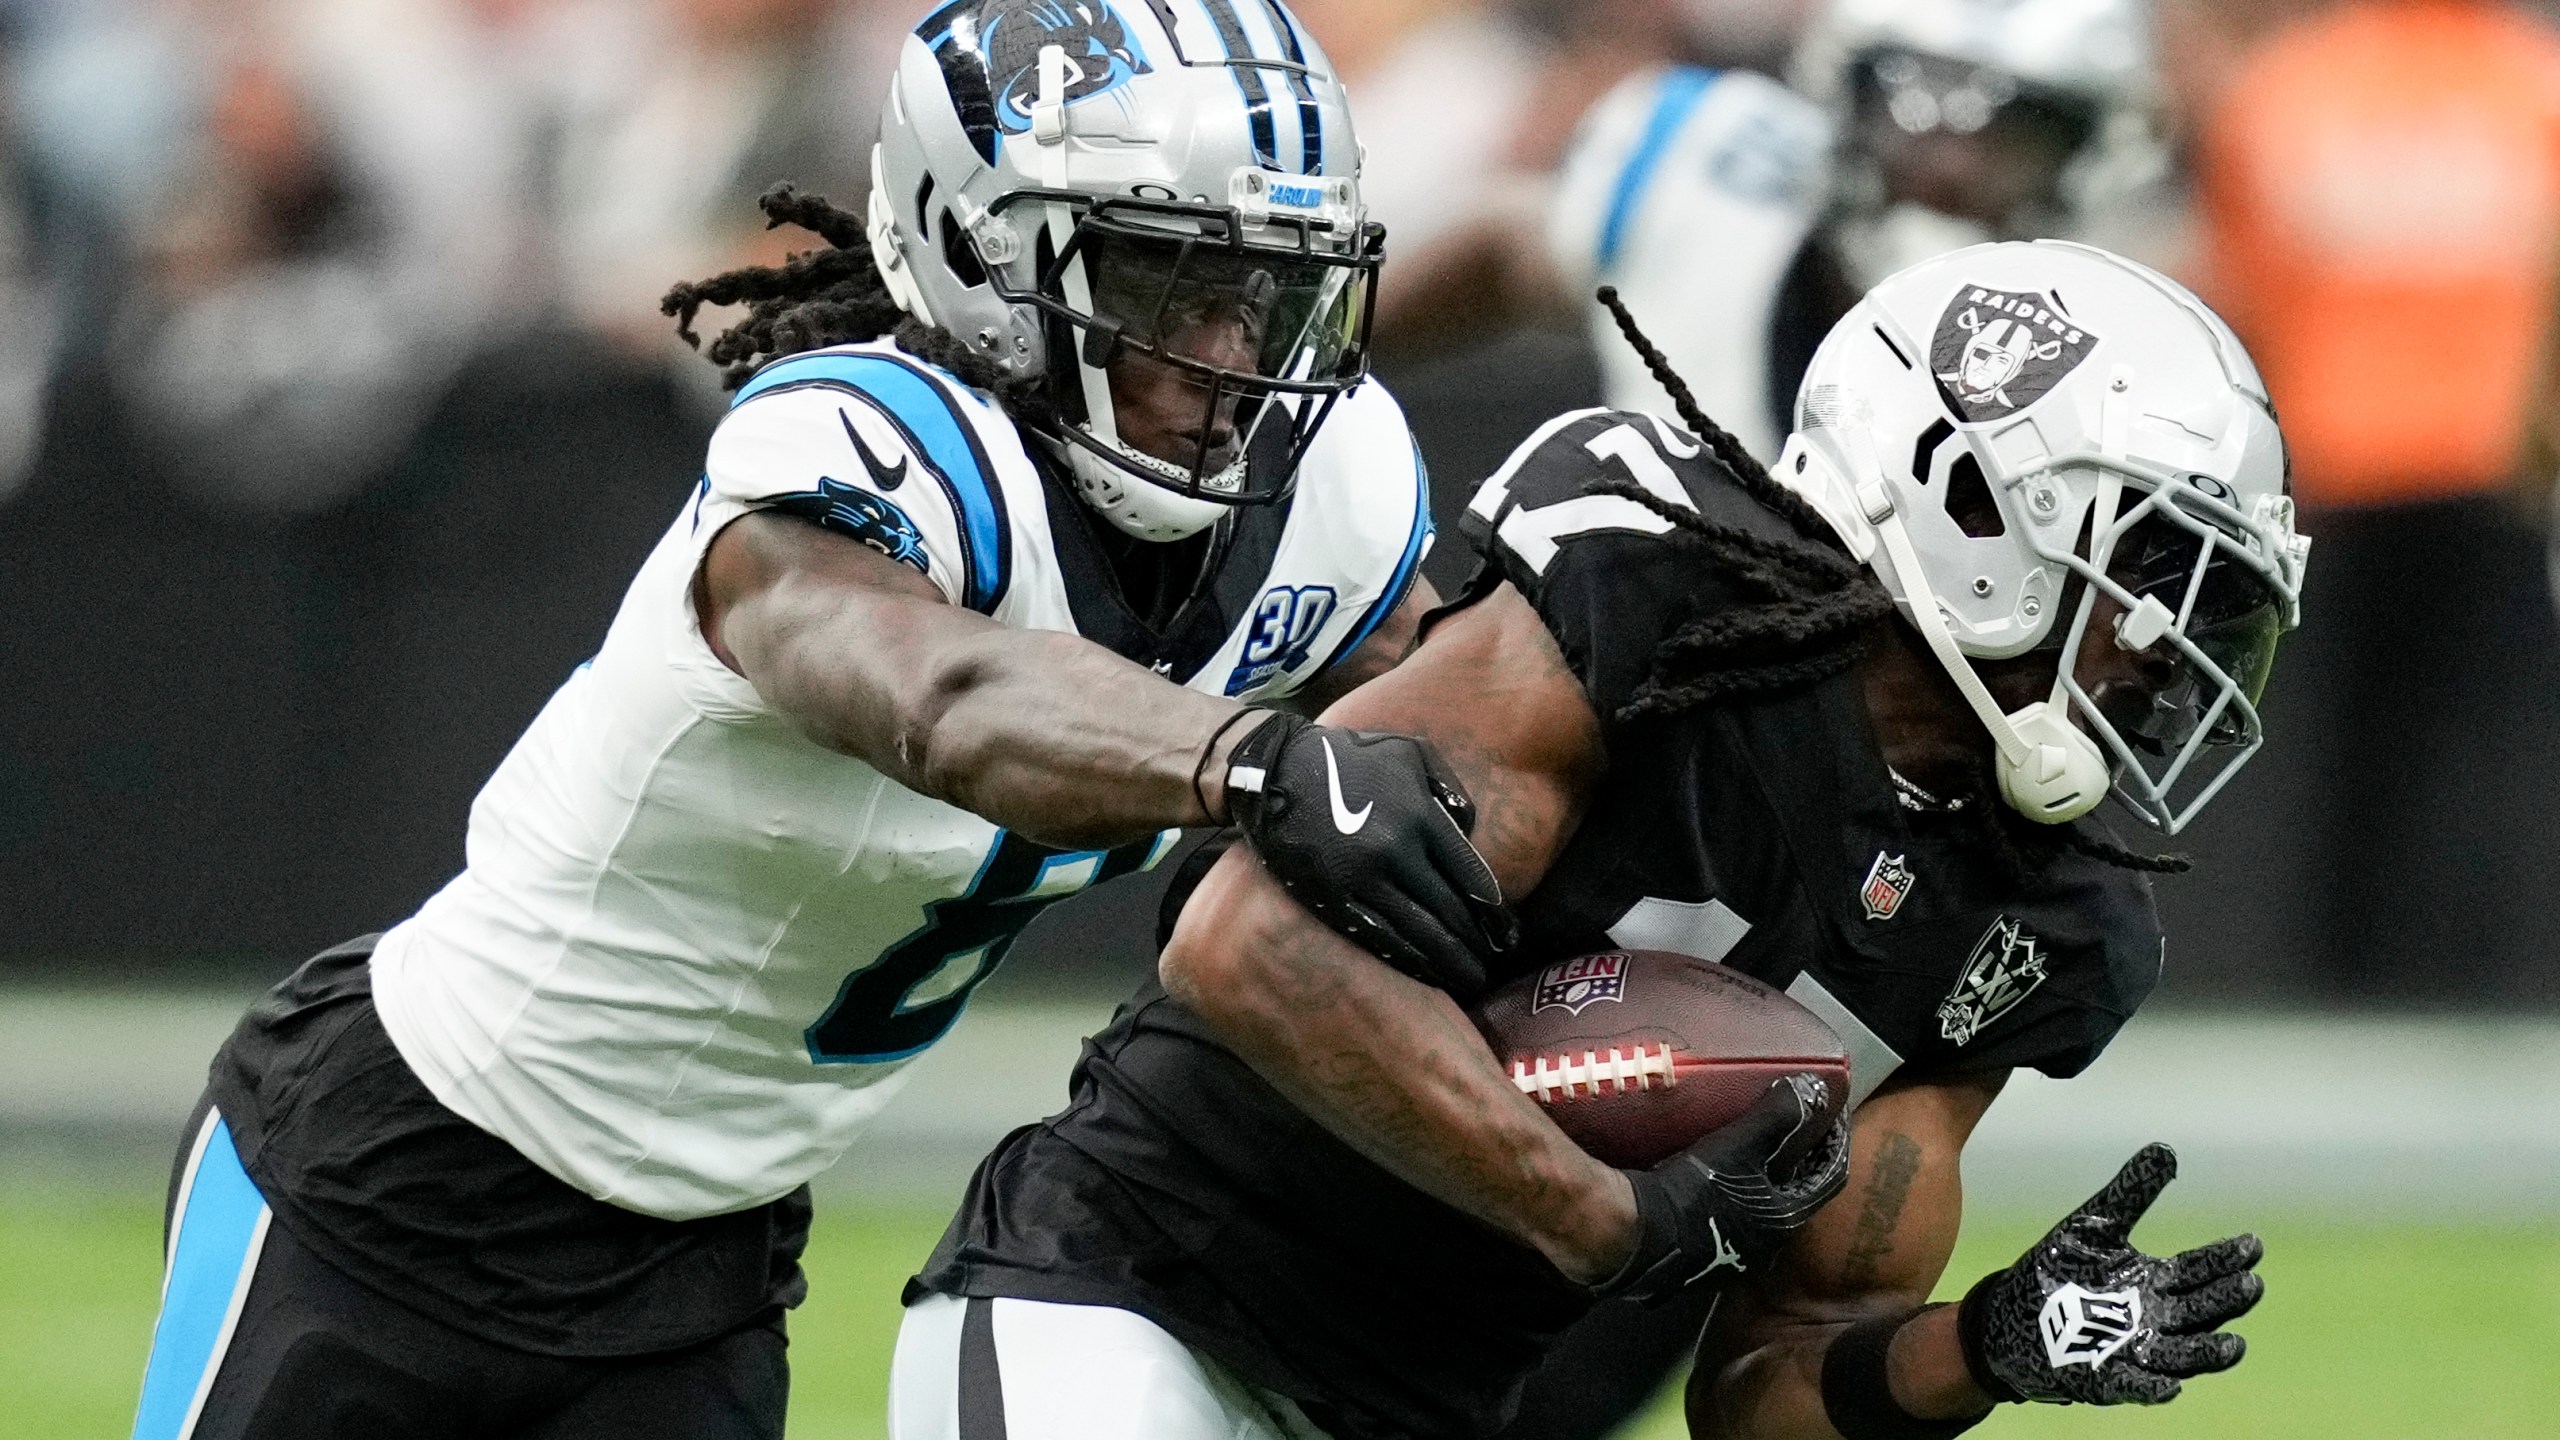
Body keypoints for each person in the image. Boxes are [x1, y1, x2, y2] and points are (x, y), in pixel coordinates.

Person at [127, 4, 1507, 1438]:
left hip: (702, 1274)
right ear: (984, 255)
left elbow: (1489, 750)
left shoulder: (1323, 503)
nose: (1230, 361)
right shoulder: (853, 449)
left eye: (1269, 292)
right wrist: (1249, 758)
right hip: (387, 1185)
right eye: (1168, 286)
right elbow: (944, 695)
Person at [891, 240, 2303, 1440]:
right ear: (1979, 507)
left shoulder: (2043, 920)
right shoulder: (1659, 592)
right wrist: (1610, 1220)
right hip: (1132, 1292)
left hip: (1414, 1408)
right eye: (2157, 570)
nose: (2173, 653)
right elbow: (1250, 949)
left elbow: (1775, 1372)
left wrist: (1982, 1350)